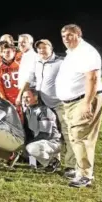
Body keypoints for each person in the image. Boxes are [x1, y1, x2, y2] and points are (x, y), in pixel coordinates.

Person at [55, 24, 102, 188]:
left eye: (70, 35)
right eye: (64, 36)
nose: (66, 39)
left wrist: (87, 103)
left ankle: (85, 175)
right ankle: (81, 169)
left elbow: (92, 78)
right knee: (76, 136)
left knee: (81, 137)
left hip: (83, 99)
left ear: (79, 34)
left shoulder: (87, 51)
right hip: (73, 101)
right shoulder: (73, 52)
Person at [18, 39, 75, 175]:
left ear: (51, 48)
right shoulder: (36, 62)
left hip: (59, 104)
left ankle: (71, 165)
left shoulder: (61, 62)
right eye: (39, 48)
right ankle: (53, 159)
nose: (42, 50)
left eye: (45, 47)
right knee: (48, 134)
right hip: (43, 104)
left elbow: (72, 79)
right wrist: (19, 96)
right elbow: (28, 79)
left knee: (68, 134)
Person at [22, 89, 62, 173]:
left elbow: (45, 134)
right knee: (27, 148)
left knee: (30, 147)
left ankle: (52, 162)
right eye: (23, 97)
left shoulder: (43, 110)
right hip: (40, 143)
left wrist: (27, 145)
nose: (25, 99)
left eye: (28, 97)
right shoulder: (27, 111)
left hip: (53, 142)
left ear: (36, 98)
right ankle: (42, 161)